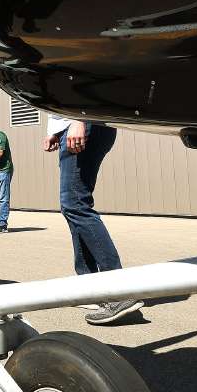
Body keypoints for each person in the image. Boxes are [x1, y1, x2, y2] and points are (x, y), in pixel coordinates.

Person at [44, 114, 142, 325]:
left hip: (82, 121)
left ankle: (119, 294)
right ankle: (89, 287)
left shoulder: (79, 118)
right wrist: (54, 130)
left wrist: (79, 118)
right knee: (72, 206)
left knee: (75, 204)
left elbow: (76, 81)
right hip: (77, 123)